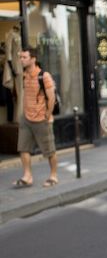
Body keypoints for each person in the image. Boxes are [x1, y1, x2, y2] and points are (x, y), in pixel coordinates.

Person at [13, 47, 58, 188]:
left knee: (49, 150)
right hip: (26, 118)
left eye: (24, 57)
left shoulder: (44, 76)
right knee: (23, 148)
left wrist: (47, 115)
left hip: (41, 119)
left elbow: (51, 98)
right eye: (20, 57)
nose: (21, 60)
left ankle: (53, 176)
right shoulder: (24, 75)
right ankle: (27, 176)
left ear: (33, 59)